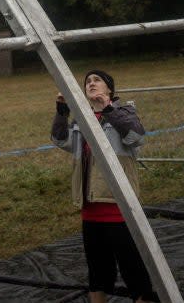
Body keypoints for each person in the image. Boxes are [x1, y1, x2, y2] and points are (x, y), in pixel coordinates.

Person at [51, 70, 155, 303]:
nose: (91, 83)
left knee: (134, 272)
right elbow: (60, 139)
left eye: (97, 80)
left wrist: (108, 108)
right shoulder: (82, 119)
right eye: (88, 81)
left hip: (120, 209)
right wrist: (62, 110)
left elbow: (136, 137)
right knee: (97, 273)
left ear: (109, 88)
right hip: (91, 208)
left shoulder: (124, 113)